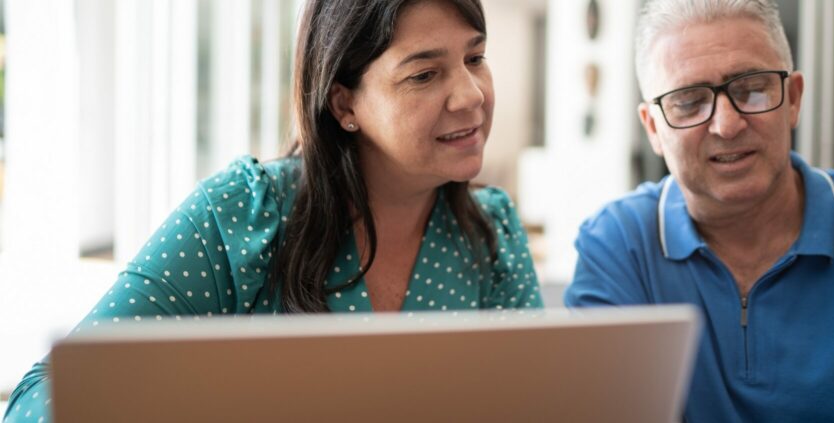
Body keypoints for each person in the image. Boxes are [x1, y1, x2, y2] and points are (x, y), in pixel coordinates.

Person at [4, 0, 542, 421]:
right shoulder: (242, 213)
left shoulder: (491, 233)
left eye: (475, 58)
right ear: (344, 104)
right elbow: (42, 397)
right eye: (424, 75)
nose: (471, 95)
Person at [564, 0, 834, 421]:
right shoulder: (618, 246)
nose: (726, 124)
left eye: (751, 89)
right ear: (654, 128)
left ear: (792, 98)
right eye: (689, 101)